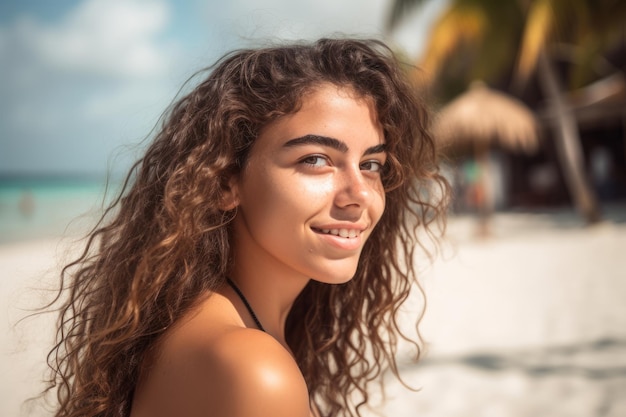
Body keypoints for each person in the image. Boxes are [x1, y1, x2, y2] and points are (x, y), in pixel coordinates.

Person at [43, 38, 449, 417]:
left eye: (371, 164)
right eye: (315, 159)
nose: (358, 193)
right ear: (224, 182)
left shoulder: (202, 324)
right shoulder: (254, 368)